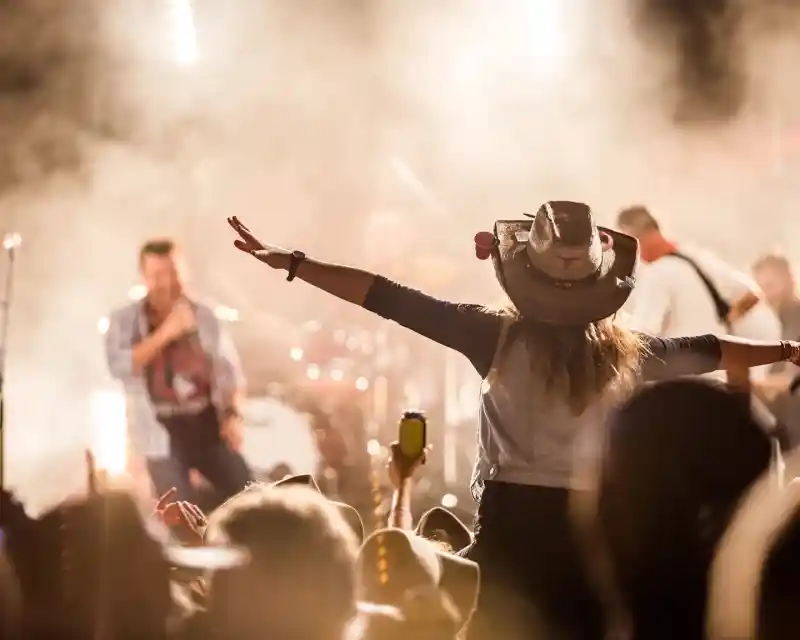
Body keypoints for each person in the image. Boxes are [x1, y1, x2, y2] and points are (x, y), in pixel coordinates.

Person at [227, 203, 800, 640]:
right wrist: (786, 349)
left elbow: (386, 297)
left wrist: (295, 264)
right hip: (589, 524)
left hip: (512, 523)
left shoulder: (492, 334)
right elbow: (712, 349)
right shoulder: (628, 350)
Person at [105, 238, 253, 504]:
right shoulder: (124, 320)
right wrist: (166, 333)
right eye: (158, 275)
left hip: (207, 423)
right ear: (144, 278)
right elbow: (119, 367)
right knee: (179, 513)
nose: (167, 282)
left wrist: (233, 414)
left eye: (173, 272)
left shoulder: (206, 315)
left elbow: (230, 373)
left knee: (250, 496)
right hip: (159, 430)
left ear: (185, 271)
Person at [616, 205, 781, 382]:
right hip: (718, 373)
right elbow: (751, 293)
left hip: (683, 382)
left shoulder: (657, 274)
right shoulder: (697, 257)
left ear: (637, 236)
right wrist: (723, 324)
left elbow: (641, 335)